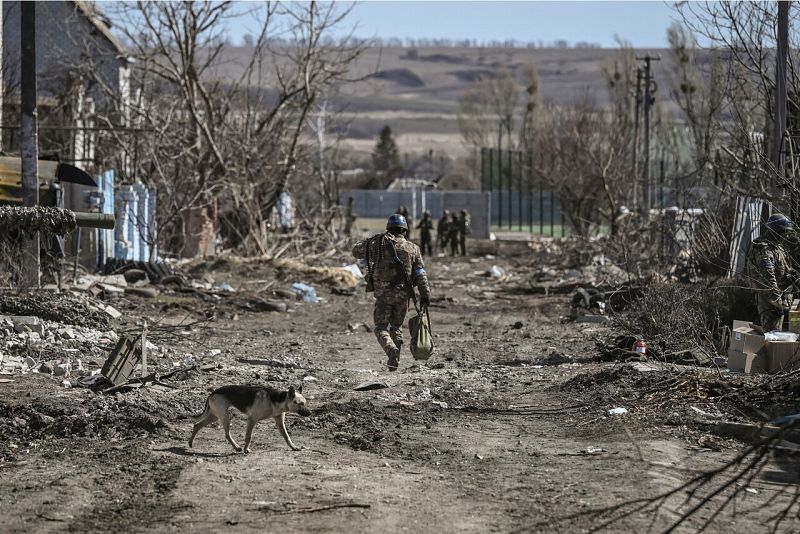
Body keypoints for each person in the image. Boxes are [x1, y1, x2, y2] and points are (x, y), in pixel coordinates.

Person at [352, 214, 431, 371]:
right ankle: (395, 361)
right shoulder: (413, 248)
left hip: (383, 294)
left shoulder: (378, 244)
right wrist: (425, 294)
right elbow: (420, 273)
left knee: (380, 327)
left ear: (388, 228)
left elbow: (356, 251)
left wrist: (371, 240)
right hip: (403, 295)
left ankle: (391, 350)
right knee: (396, 327)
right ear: (404, 230)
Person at [746, 213, 797, 331]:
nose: (787, 236)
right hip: (771, 305)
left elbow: (784, 267)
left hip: (783, 301)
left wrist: (793, 275)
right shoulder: (764, 249)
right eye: (785, 232)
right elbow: (768, 279)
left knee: (788, 340)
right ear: (777, 232)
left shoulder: (777, 247)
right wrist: (777, 304)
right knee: (774, 338)